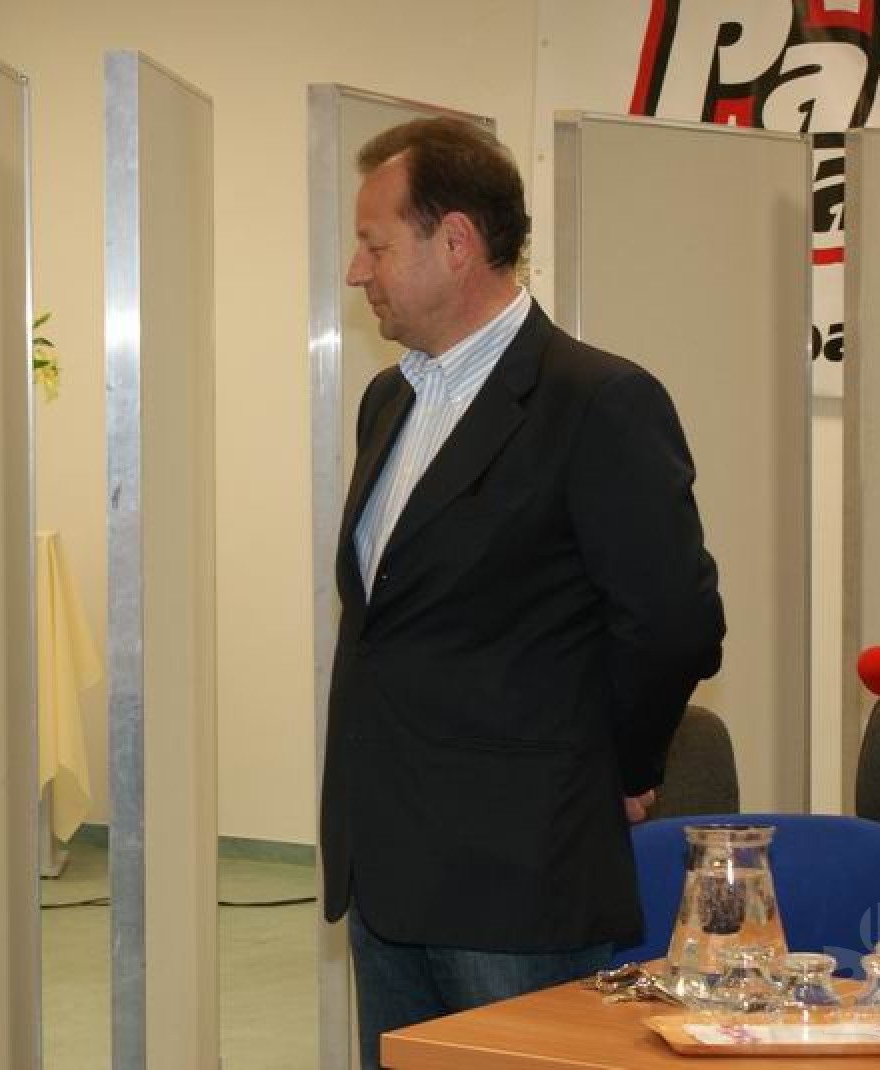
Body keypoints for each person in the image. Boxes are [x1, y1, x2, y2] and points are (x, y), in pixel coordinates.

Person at [320, 117, 725, 1066]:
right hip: (387, 868)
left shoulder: (596, 401)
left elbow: (672, 624)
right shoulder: (389, 401)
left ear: (456, 242)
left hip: (517, 877)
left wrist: (620, 767)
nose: (355, 270)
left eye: (376, 244)